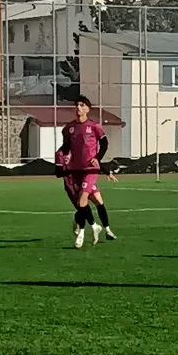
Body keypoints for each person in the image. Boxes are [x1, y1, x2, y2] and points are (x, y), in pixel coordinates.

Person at [57, 96, 112, 248]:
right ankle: (93, 225)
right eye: (77, 105)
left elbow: (104, 143)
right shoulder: (69, 128)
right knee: (83, 203)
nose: (78, 108)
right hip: (75, 170)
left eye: (82, 105)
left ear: (88, 109)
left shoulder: (94, 126)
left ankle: (81, 233)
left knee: (82, 200)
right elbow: (65, 147)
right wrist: (59, 161)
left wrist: (97, 158)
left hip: (90, 170)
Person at [55, 146, 117, 242]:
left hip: (86, 179)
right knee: (82, 207)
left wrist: (107, 172)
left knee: (98, 201)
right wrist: (73, 170)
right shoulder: (60, 153)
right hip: (71, 183)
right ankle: (82, 222)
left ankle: (107, 230)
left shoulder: (80, 148)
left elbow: (93, 161)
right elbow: (58, 173)